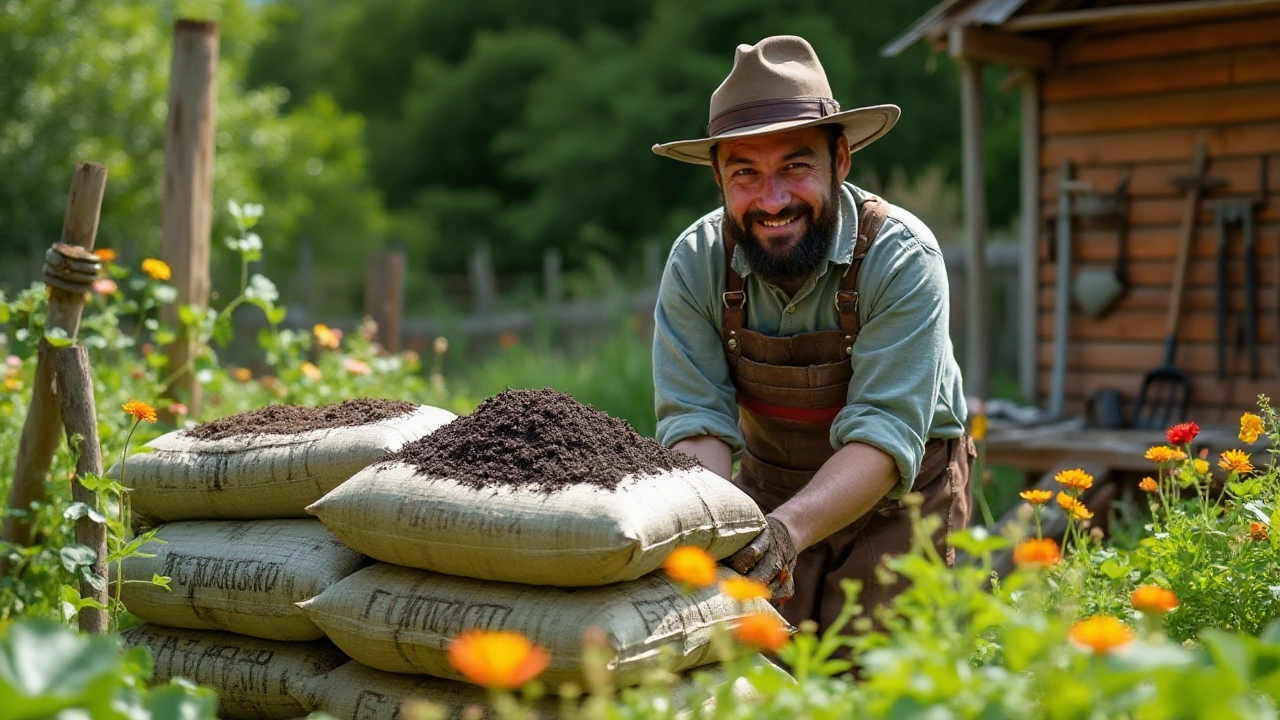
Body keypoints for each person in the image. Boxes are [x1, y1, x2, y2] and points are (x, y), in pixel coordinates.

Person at [650, 35, 972, 633]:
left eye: (795, 166)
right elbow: (696, 426)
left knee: (883, 681)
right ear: (718, 179)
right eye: (745, 172)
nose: (772, 200)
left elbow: (884, 433)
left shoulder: (901, 256)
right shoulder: (695, 263)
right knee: (761, 671)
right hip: (765, 491)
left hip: (902, 497)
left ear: (840, 161)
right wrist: (713, 535)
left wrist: (786, 532)